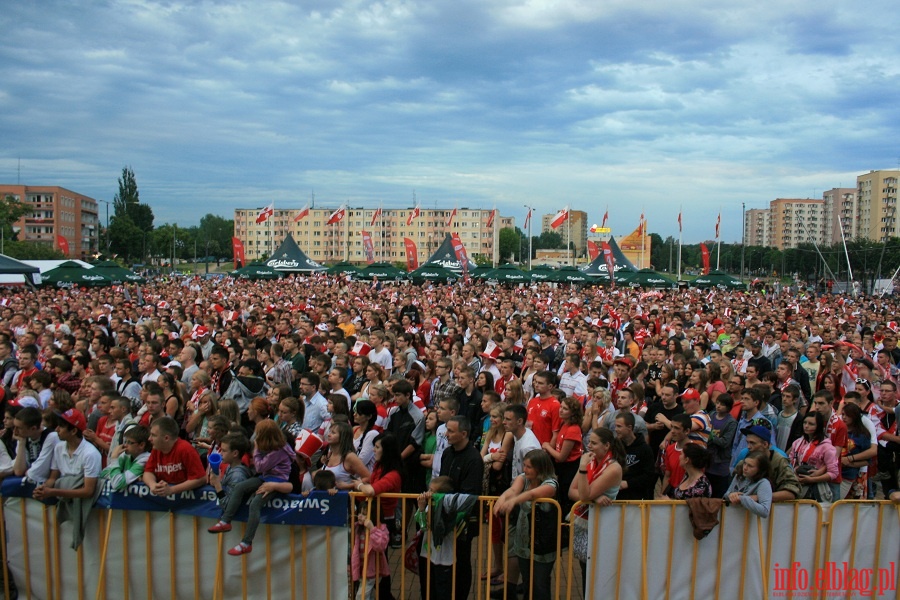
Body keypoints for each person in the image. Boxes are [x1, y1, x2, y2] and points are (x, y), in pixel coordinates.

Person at [208, 420, 296, 556]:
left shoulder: (279, 450)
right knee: (240, 487)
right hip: (265, 477)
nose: (256, 436)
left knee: (255, 504)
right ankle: (226, 521)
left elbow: (260, 466)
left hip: (276, 480)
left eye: (258, 433)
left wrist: (256, 448)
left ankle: (246, 543)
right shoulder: (270, 445)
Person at [492, 449, 558, 600]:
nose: (524, 469)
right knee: (528, 584)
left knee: (540, 585)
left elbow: (532, 494)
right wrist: (502, 499)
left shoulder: (551, 484)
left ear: (539, 468)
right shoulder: (524, 478)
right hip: (523, 544)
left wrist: (514, 500)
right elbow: (513, 489)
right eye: (524, 465)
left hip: (542, 545)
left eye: (529, 467)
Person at [568, 428, 625, 591]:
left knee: (598, 573)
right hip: (585, 523)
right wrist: (593, 498)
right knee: (585, 570)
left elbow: (583, 495)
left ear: (606, 446)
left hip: (603, 526)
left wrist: (583, 468)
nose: (589, 446)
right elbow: (571, 491)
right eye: (589, 442)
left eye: (594, 443)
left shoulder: (613, 468)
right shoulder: (590, 461)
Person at [438, 415, 484, 600]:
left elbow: (469, 494)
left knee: (461, 561)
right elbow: (441, 481)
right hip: (445, 515)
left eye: (451, 431)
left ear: (464, 434)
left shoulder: (473, 460)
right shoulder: (448, 453)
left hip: (463, 520)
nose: (446, 434)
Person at [142, 416, 206, 496]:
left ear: (166, 438)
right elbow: (148, 472)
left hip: (187, 502)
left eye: (153, 435)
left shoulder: (185, 449)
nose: (149, 439)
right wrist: (153, 485)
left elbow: (200, 478)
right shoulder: (157, 448)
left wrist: (172, 490)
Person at [788, 411, 838, 502]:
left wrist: (813, 479)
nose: (806, 426)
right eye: (805, 422)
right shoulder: (797, 443)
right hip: (797, 484)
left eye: (811, 424)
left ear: (818, 426)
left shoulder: (827, 447)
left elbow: (833, 473)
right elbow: (790, 462)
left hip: (816, 491)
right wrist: (795, 470)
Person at [614, 412, 656, 500]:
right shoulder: (615, 447)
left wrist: (628, 483)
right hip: (616, 496)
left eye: (619, 426)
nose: (616, 429)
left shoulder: (645, 449)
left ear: (629, 427)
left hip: (637, 498)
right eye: (615, 426)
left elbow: (649, 476)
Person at [100, 425, 151, 492]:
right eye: (125, 441)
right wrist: (120, 476)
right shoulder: (126, 455)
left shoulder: (145, 460)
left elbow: (116, 483)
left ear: (141, 445)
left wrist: (114, 458)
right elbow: (103, 473)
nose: (125, 445)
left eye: (129, 442)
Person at [725, 450, 773, 518]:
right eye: (745, 463)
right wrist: (730, 495)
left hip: (748, 523)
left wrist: (742, 499)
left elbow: (765, 511)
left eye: (750, 466)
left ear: (759, 469)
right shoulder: (739, 475)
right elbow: (726, 495)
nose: (745, 468)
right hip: (732, 517)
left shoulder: (763, 483)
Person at [706, 395, 738, 498]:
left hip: (721, 463)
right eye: (718, 403)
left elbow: (725, 442)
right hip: (708, 461)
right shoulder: (712, 415)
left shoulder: (731, 422)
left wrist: (712, 437)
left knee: (718, 493)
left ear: (728, 407)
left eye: (722, 404)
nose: (718, 406)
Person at [207, 432, 252, 502]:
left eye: (224, 451)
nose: (220, 453)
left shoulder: (238, 476)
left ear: (235, 453)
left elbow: (228, 506)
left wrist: (217, 485)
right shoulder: (230, 467)